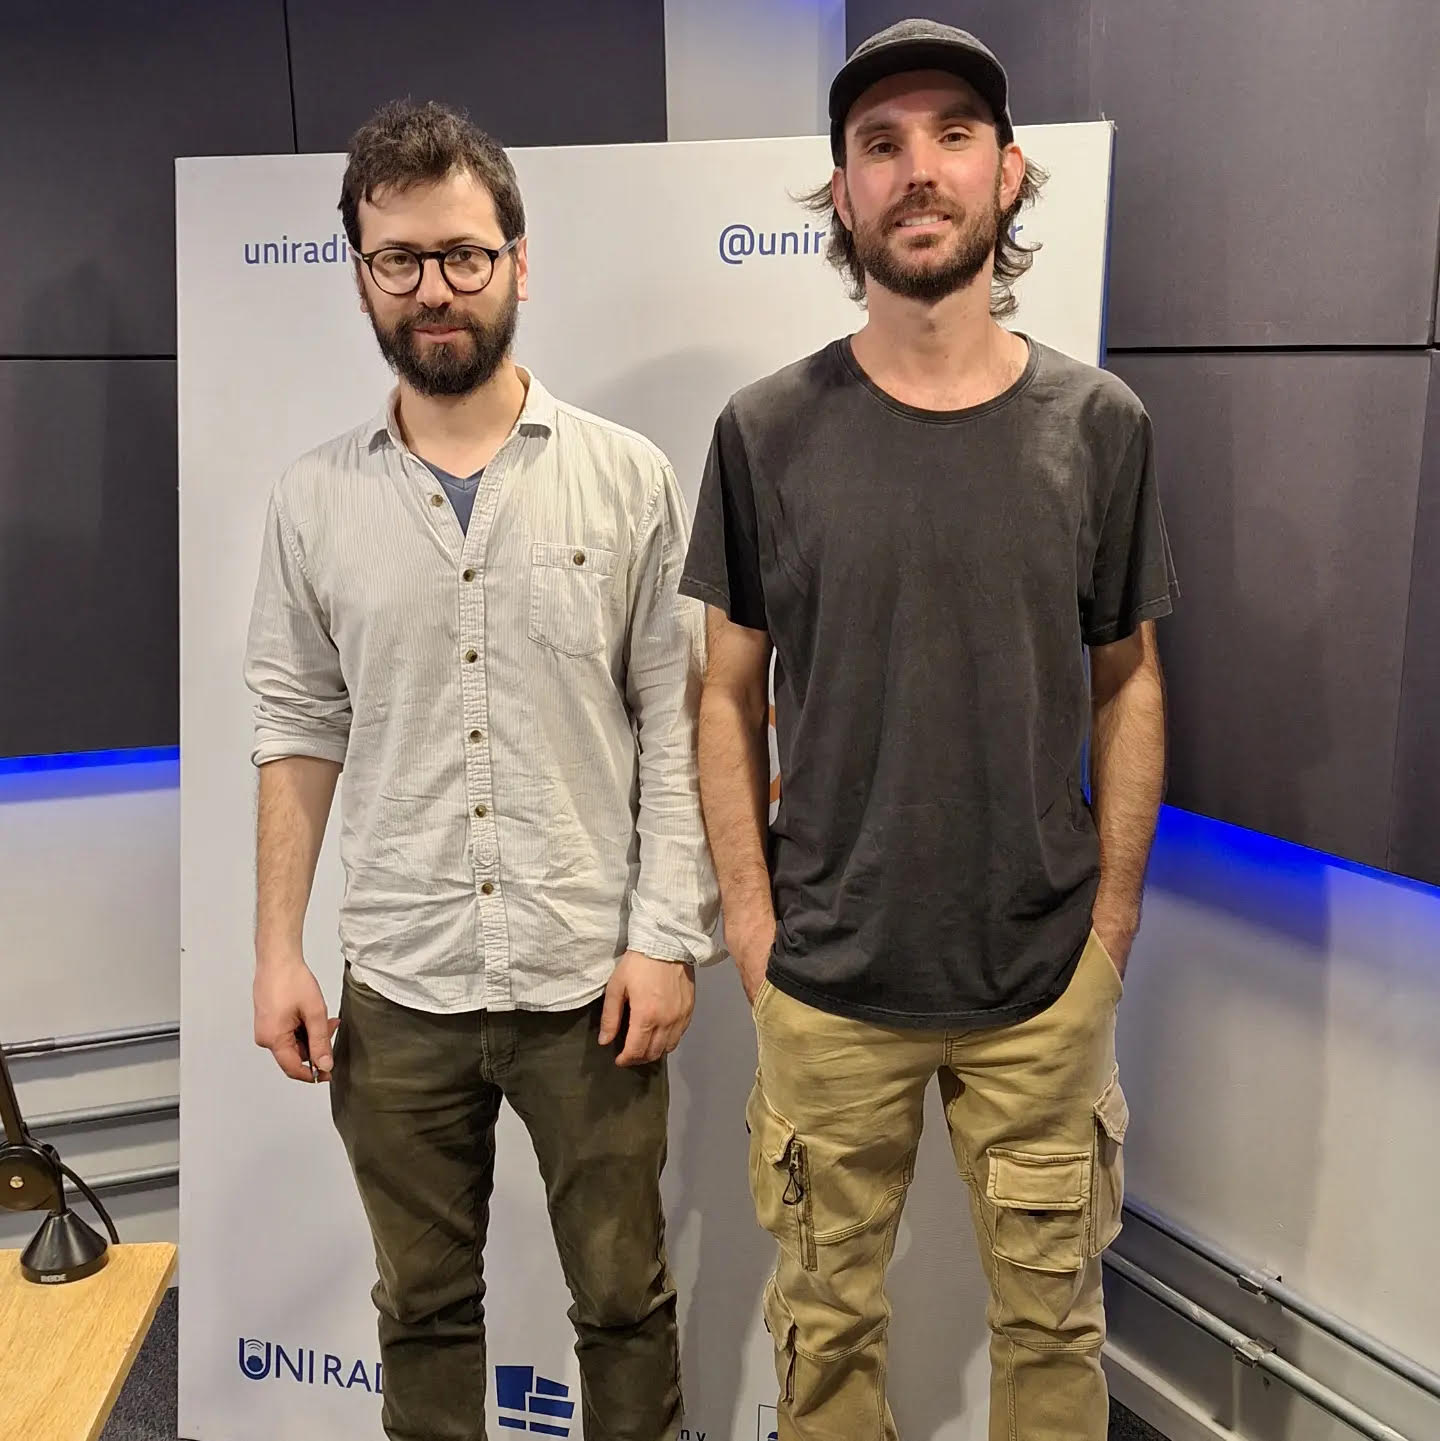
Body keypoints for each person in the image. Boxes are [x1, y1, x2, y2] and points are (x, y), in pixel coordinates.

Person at [681, 20, 1178, 1441]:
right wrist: (753, 930)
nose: (919, 170)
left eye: (954, 135)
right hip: (829, 982)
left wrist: (1111, 929)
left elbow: (1130, 682)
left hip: (1043, 979)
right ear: (842, 192)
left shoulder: (1100, 425)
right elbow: (724, 694)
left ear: (1007, 174)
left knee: (1053, 1335)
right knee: (823, 1343)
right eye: (881, 144)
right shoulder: (764, 432)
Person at [244, 100, 717, 1441]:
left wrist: (665, 935)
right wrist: (278, 950)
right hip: (399, 981)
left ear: (518, 258)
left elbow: (677, 721)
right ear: (360, 275)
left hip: (590, 979)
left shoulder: (627, 480)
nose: (434, 288)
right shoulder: (312, 501)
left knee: (624, 1302)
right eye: (398, 259)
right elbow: (296, 723)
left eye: (462, 253)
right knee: (422, 1307)